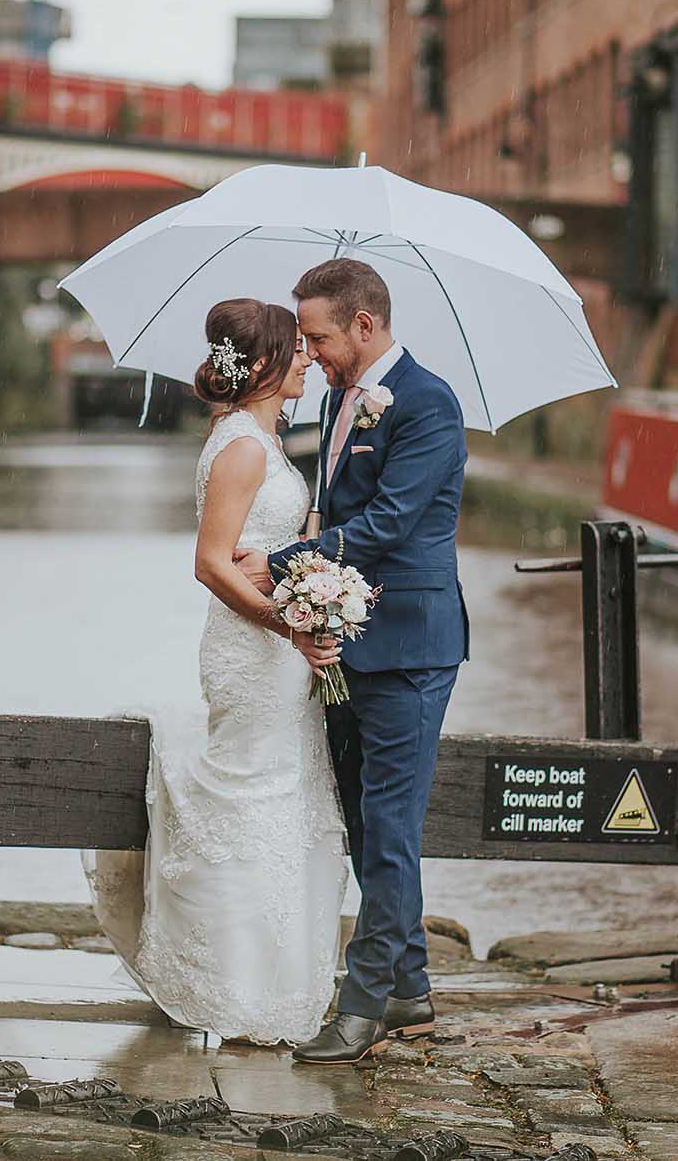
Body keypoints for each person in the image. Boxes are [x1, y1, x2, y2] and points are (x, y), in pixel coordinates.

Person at [84, 297, 350, 1045]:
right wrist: (286, 623)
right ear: (263, 364)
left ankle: (268, 983)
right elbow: (208, 562)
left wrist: (315, 566)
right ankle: (231, 983)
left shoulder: (263, 439)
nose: (306, 360)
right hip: (252, 650)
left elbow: (265, 549)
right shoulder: (240, 447)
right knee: (252, 800)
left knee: (284, 802)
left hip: (280, 653)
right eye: (295, 350)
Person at [234, 257, 470, 1065]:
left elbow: (392, 524)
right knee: (366, 824)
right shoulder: (339, 398)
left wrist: (282, 560)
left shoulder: (430, 404)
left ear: (364, 326)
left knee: (393, 828)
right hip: (347, 643)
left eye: (321, 335)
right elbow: (342, 508)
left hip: (411, 646)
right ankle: (409, 987)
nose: (311, 350)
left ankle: (363, 1005)